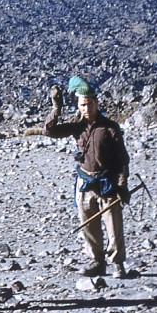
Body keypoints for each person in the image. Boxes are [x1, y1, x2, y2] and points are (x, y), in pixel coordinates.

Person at [43, 77, 131, 278]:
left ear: (97, 103)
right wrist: (56, 108)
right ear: (78, 105)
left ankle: (118, 264)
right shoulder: (76, 126)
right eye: (83, 104)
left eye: (90, 103)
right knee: (89, 224)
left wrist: (122, 185)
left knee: (113, 224)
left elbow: (122, 160)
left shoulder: (110, 127)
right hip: (85, 182)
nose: (87, 108)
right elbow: (49, 131)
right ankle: (97, 262)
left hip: (107, 182)